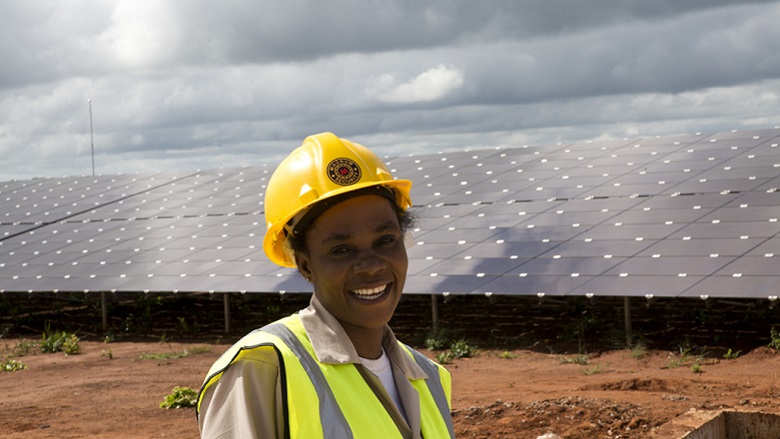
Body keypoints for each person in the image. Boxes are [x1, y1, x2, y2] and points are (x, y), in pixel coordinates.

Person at [197, 132, 455, 438]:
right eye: (341, 250)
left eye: (385, 240)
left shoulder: (430, 377)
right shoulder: (263, 368)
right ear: (305, 264)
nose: (371, 265)